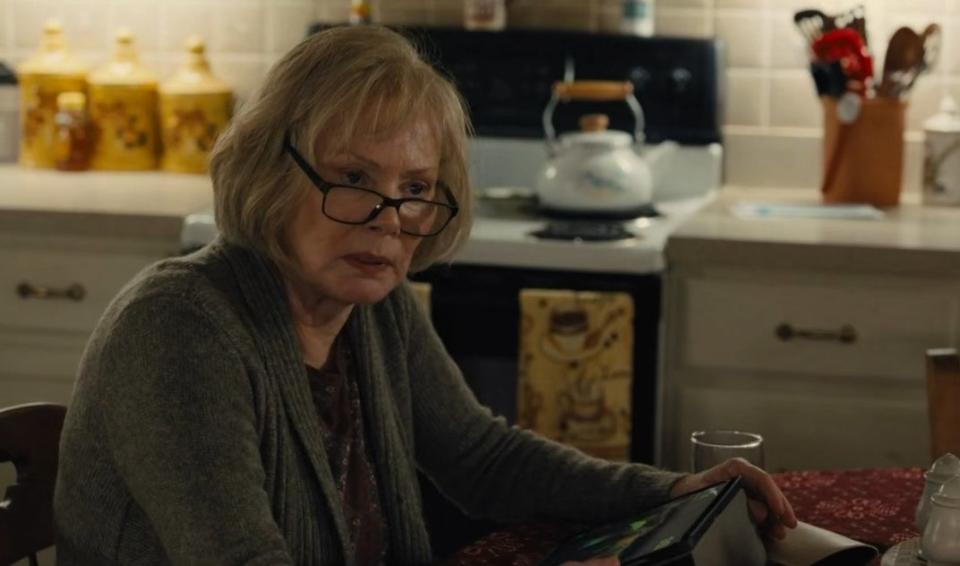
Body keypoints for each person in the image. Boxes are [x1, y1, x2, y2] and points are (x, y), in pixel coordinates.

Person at [54, 25, 796, 565]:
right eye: (352, 179)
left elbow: (483, 458)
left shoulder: (370, 314)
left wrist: (672, 491)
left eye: (414, 189)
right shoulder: (181, 328)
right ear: (269, 173)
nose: (389, 221)